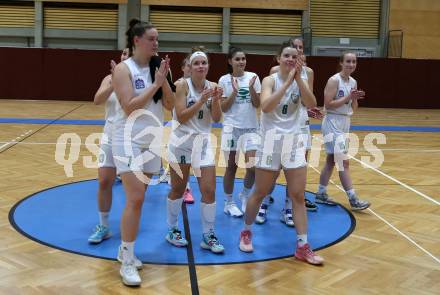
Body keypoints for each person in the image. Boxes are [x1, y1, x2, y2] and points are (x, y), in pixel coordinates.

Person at [239, 42, 324, 265]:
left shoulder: (302, 79)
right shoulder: (270, 80)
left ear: (298, 59)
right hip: (270, 144)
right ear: (278, 58)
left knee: (297, 195)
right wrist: (287, 83)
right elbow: (265, 106)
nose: (290, 59)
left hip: (294, 143)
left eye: (294, 56)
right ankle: (246, 231)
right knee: (260, 192)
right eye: (286, 55)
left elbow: (312, 103)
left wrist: (298, 81)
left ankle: (303, 245)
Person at [112, 19, 175, 286]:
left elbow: (171, 105)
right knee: (136, 198)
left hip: (152, 138)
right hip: (126, 138)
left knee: (140, 197)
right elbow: (129, 107)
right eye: (151, 39)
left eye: (157, 39)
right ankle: (127, 260)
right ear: (137, 41)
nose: (156, 44)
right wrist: (154, 83)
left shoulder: (158, 67)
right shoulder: (123, 70)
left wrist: (163, 81)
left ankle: (123, 249)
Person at [166, 46, 225, 254]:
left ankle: (208, 235)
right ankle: (172, 229)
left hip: (203, 144)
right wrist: (201, 100)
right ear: (189, 67)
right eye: (196, 63)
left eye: (204, 63)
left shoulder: (213, 86)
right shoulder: (182, 85)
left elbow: (217, 118)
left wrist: (215, 99)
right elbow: (181, 116)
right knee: (178, 189)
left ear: (208, 66)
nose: (200, 66)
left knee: (209, 190)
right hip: (181, 143)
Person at [256, 38, 319, 227]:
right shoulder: (275, 73)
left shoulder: (308, 72)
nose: (297, 53)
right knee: (273, 171)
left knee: (296, 171)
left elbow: (308, 101)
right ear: (281, 56)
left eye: (300, 49)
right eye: (294, 49)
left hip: (300, 125)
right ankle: (264, 201)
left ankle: (289, 207)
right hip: (278, 127)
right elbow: (272, 102)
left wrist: (311, 111)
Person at [315, 52, 370, 211]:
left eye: (354, 62)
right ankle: (353, 198)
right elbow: (328, 104)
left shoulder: (353, 81)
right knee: (343, 162)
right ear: (341, 63)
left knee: (331, 160)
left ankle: (321, 193)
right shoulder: (333, 80)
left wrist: (354, 98)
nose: (351, 64)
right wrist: (348, 97)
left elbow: (354, 108)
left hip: (345, 121)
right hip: (332, 121)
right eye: (348, 61)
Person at [88, 48, 129, 244]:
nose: (124, 57)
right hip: (109, 134)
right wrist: (113, 83)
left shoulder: (139, 79)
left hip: (130, 137)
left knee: (133, 189)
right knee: (104, 180)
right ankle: (103, 225)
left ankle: (130, 229)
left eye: (128, 54)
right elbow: (97, 100)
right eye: (123, 54)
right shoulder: (109, 78)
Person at [218, 47, 261, 217]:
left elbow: (257, 104)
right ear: (230, 61)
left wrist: (250, 89)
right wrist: (234, 92)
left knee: (253, 167)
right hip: (231, 128)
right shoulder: (224, 80)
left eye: (243, 58)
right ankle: (229, 202)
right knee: (231, 167)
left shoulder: (253, 77)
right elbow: (223, 108)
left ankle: (244, 194)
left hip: (251, 128)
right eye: (237, 59)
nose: (241, 62)